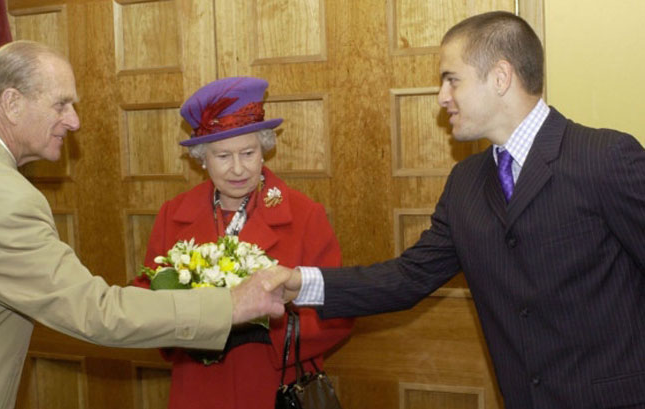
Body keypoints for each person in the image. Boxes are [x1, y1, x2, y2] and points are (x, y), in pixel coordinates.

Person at [266, 11, 645, 409]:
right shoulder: (465, 181)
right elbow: (409, 277)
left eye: (452, 79)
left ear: (500, 77)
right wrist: (300, 283)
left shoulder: (605, 158)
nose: (442, 97)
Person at [0, 41, 285, 409]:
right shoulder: (3, 198)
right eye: (61, 104)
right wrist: (230, 306)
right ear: (12, 103)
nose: (74, 120)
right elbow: (96, 313)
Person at [133, 76, 353, 409]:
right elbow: (147, 299)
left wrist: (266, 330)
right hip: (198, 389)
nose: (238, 169)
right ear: (202, 159)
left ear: (264, 149)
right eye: (223, 156)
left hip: (273, 388)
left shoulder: (305, 215)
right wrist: (188, 326)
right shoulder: (173, 214)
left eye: (248, 153)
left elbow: (337, 312)